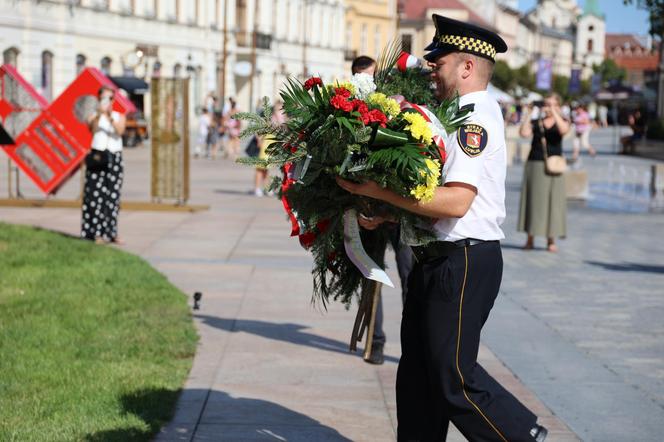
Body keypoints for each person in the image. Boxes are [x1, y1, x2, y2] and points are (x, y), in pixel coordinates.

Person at [337, 14, 548, 441]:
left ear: (466, 67)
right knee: (418, 379)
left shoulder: (474, 119)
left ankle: (522, 437)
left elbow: (457, 202)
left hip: (465, 259)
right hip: (439, 257)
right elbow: (438, 201)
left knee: (453, 377)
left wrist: (381, 192)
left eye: (440, 62)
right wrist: (390, 214)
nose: (431, 69)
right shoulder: (452, 114)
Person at [351, 55, 413, 365]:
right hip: (368, 213)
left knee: (410, 279)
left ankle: (413, 347)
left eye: (373, 79)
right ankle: (375, 343)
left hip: (400, 215)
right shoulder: (348, 118)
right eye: (363, 79)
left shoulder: (402, 115)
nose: (369, 85)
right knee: (372, 277)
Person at [518, 93, 570, 253]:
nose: (548, 107)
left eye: (552, 104)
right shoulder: (537, 121)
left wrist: (555, 111)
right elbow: (524, 133)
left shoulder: (563, 121)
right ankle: (530, 238)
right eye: (546, 104)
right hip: (535, 163)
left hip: (555, 165)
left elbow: (563, 130)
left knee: (553, 203)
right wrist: (529, 112)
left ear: (558, 105)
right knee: (533, 201)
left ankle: (551, 240)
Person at [82, 85, 126, 244]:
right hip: (98, 157)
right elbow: (92, 130)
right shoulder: (93, 116)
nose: (108, 101)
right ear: (99, 99)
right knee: (94, 196)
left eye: (111, 98)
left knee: (112, 198)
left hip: (114, 157)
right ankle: (95, 233)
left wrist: (109, 117)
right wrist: (100, 115)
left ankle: (112, 232)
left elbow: (120, 131)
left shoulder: (118, 116)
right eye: (104, 98)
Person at [254, 101, 286, 196]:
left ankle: (267, 188)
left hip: (272, 147)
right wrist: (259, 140)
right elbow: (259, 130)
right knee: (260, 168)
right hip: (265, 146)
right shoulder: (270, 119)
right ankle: (257, 188)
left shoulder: (280, 120)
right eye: (278, 109)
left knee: (266, 169)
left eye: (281, 109)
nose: (280, 111)